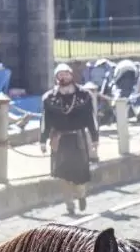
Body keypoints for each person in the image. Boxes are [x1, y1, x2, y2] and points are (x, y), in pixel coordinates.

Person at [39, 63, 100, 216]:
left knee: (80, 176)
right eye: (60, 74)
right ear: (56, 77)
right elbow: (45, 121)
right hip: (59, 140)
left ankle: (80, 194)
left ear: (71, 75)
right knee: (63, 175)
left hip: (78, 139)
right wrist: (42, 140)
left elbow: (91, 118)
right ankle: (69, 205)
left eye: (66, 73)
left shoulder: (84, 96)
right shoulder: (49, 98)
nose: (63, 77)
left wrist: (94, 138)